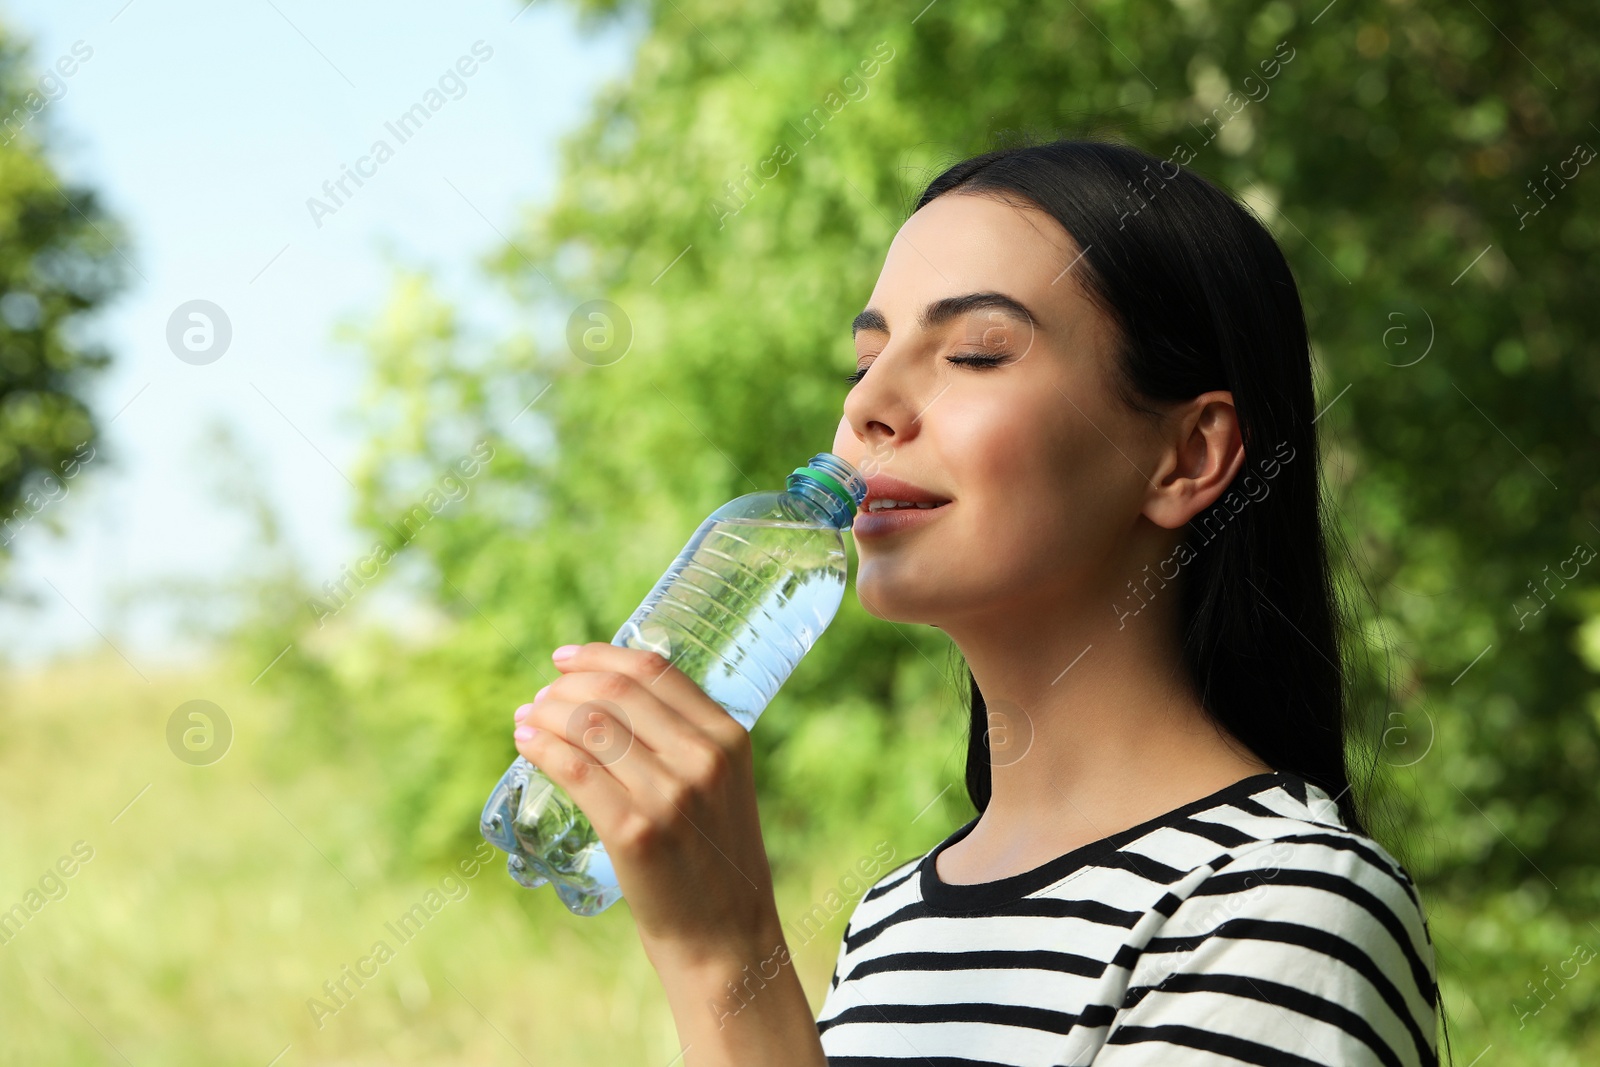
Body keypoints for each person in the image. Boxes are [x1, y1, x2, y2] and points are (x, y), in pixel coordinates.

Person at [510, 138, 1442, 1066]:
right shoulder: (892, 920)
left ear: (1189, 455)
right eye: (865, 361)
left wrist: (728, 965)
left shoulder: (1284, 903)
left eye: (975, 353)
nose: (869, 404)